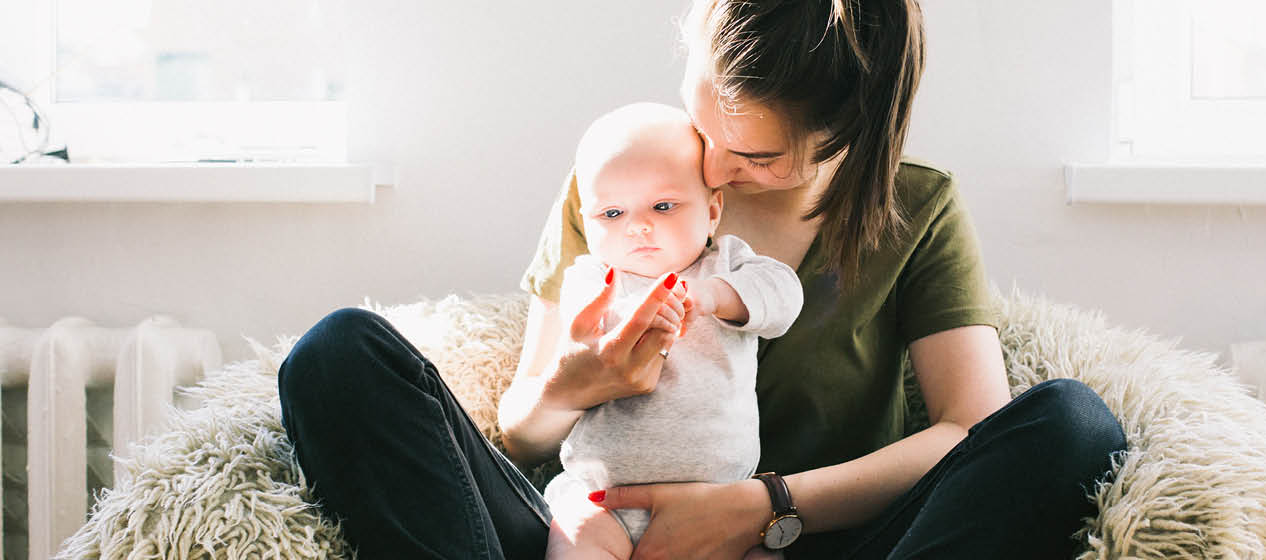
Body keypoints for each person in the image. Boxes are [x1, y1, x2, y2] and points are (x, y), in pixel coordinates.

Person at [278, 1, 1128, 558]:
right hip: (594, 531)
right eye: (700, 117)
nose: (711, 168)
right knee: (336, 355)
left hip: (808, 541)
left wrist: (762, 506)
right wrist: (574, 387)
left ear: (846, 136)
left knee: (1073, 426)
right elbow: (524, 436)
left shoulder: (917, 208)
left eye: (755, 155)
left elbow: (966, 429)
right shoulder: (626, 182)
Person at [542, 101, 803, 559]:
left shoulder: (728, 264)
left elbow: (784, 297)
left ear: (713, 210)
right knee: (574, 540)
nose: (639, 226)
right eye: (612, 214)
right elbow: (580, 330)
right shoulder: (593, 277)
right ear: (587, 221)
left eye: (663, 206)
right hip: (603, 499)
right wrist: (603, 326)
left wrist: (714, 296)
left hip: (720, 504)